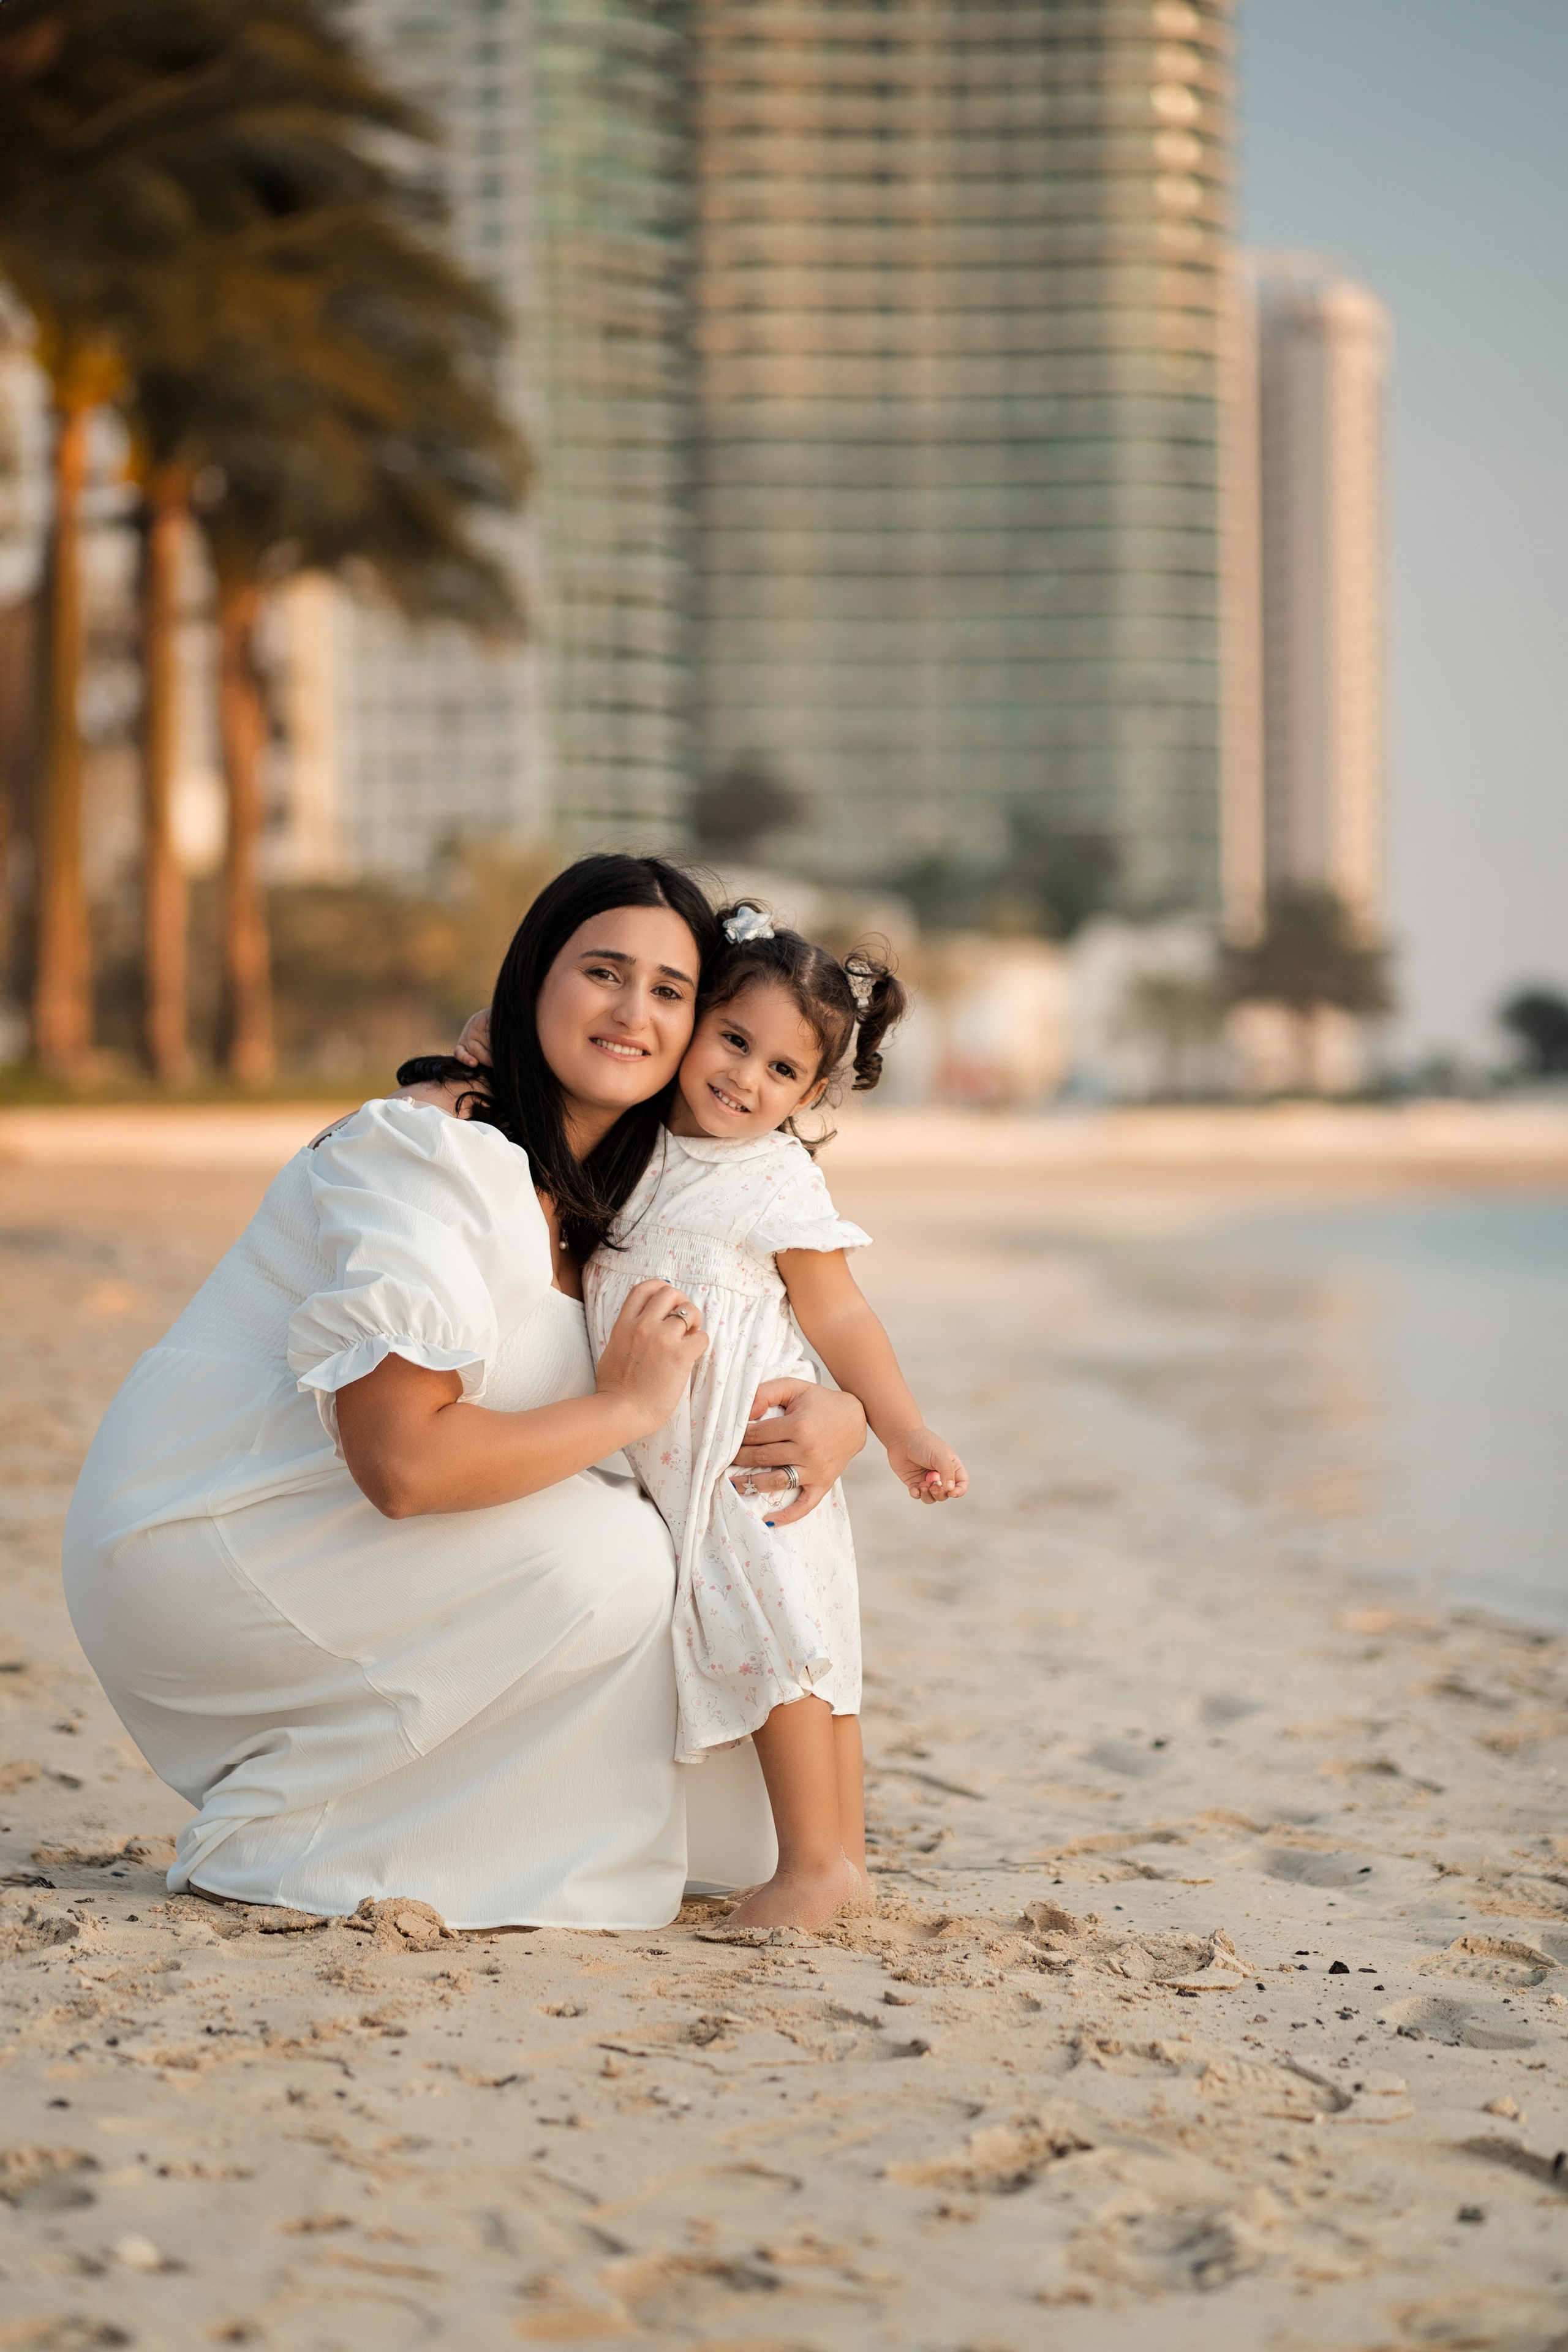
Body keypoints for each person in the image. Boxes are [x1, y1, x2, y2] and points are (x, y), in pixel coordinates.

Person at [62, 855, 867, 1929]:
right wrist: (626, 1409)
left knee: (739, 1804)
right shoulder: (432, 1150)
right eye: (602, 973)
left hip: (347, 1531)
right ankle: (307, 1829)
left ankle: (474, 1829)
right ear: (533, 978)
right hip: (220, 1527)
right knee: (622, 1552)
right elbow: (402, 1463)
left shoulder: (635, 1198)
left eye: (670, 992)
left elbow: (773, 1328)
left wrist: (842, 1414)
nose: (633, 1013)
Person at [584, 904, 968, 1930]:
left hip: (749, 1458)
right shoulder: (631, 1149)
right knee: (798, 1640)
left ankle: (819, 1863)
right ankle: (838, 1864)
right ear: (695, 1022)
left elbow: (839, 1313)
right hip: (684, 1458)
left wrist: (901, 1429)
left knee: (789, 1644)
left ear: (811, 1094)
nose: (746, 1079)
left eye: (783, 1070)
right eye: (733, 1040)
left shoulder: (774, 1177)